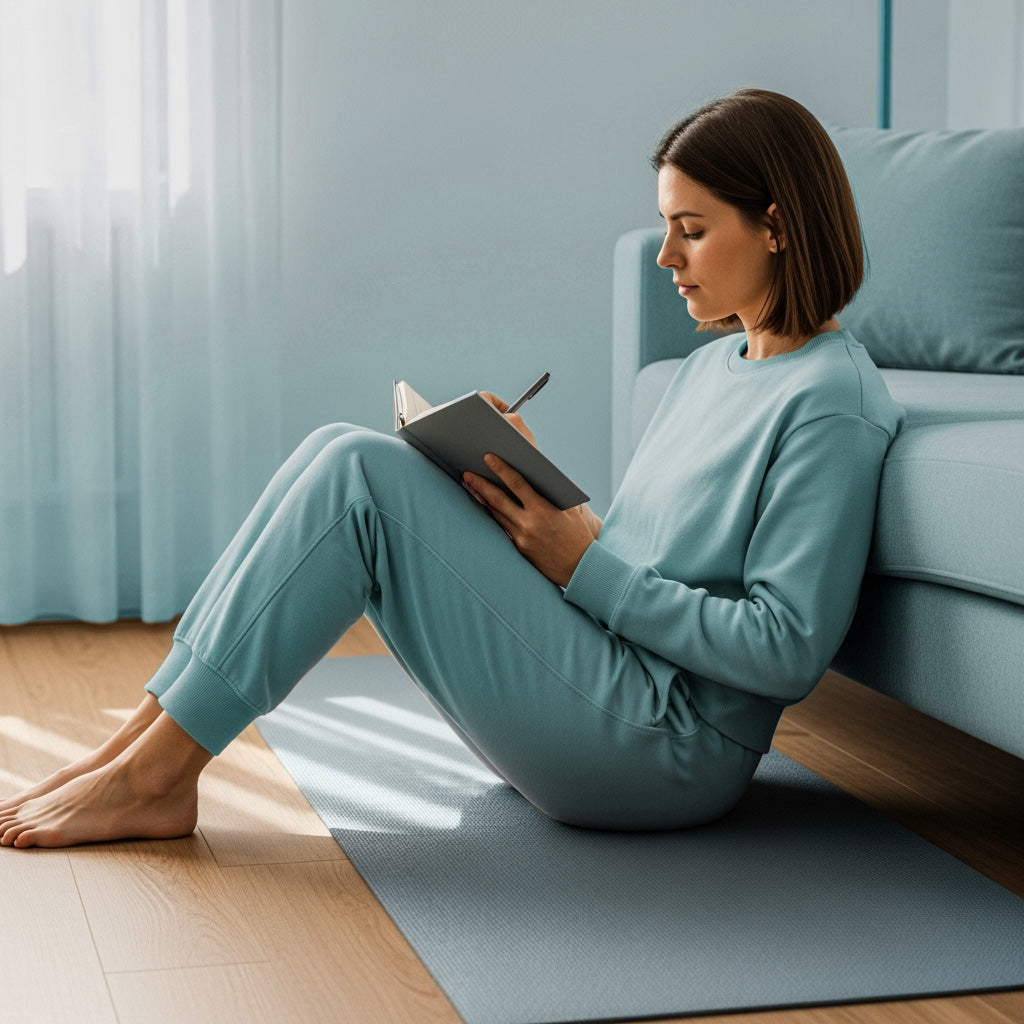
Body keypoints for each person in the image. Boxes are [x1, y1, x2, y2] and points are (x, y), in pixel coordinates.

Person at [0, 89, 903, 849]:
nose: (666, 257)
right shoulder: (712, 364)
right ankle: (140, 745)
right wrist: (530, 481)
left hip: (666, 751)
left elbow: (786, 650)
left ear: (777, 227)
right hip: (611, 678)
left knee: (359, 473)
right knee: (338, 448)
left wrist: (582, 562)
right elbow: (650, 553)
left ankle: (157, 777)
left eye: (692, 231)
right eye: (667, 229)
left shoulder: (831, 403)